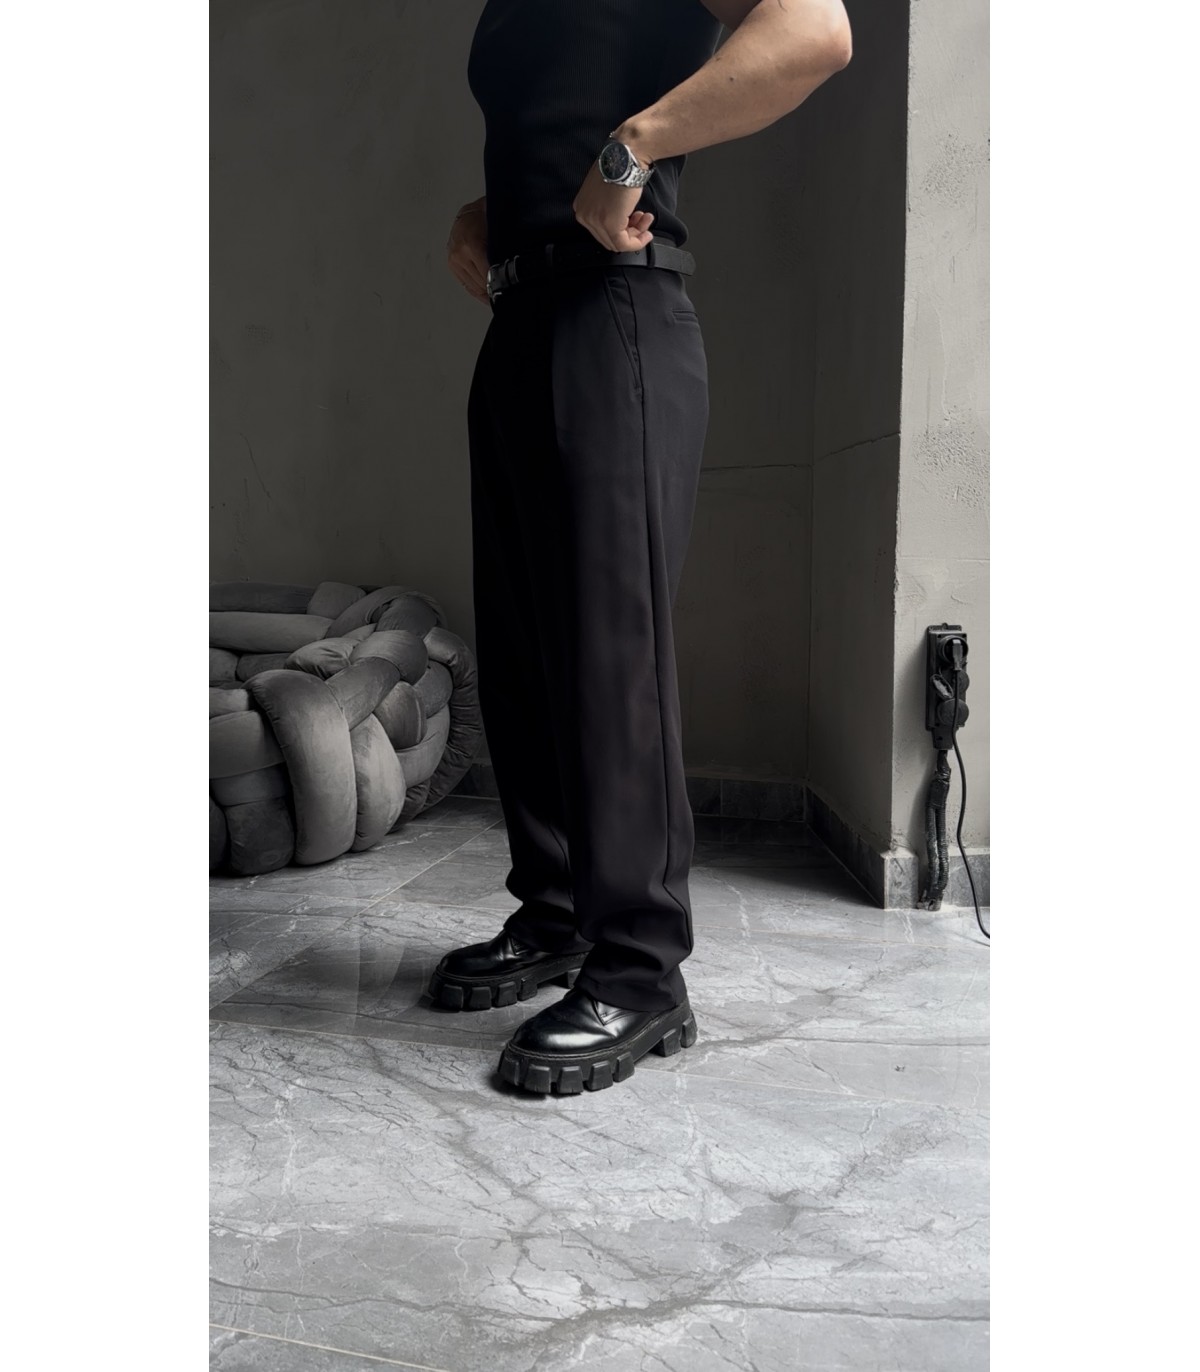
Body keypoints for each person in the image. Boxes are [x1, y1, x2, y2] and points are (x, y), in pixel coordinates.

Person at [432, 0, 852, 1095]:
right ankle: (557, 913)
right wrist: (491, 214)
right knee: (523, 650)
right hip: (523, 321)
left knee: (609, 655)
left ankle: (640, 968)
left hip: (615, 311)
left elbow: (815, 28)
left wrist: (636, 148)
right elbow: (553, 117)